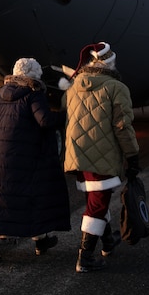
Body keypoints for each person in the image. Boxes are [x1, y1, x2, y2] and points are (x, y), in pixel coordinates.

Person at [0, 58, 71, 264]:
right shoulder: (32, 94)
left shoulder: (2, 96)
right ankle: (40, 241)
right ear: (33, 75)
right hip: (24, 154)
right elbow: (44, 120)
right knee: (33, 196)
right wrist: (66, 115)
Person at [60, 42, 140, 273]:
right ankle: (85, 258)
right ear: (110, 64)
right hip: (102, 154)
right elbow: (123, 126)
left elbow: (67, 111)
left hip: (77, 155)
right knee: (97, 204)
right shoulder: (116, 87)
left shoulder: (74, 86)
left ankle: (106, 242)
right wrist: (132, 156)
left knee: (95, 199)